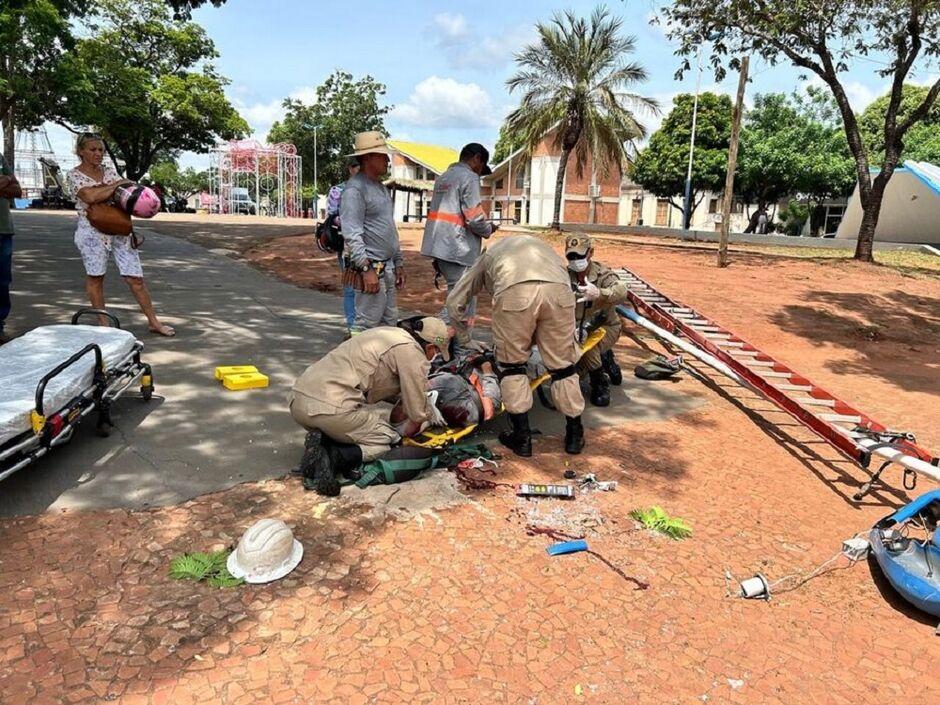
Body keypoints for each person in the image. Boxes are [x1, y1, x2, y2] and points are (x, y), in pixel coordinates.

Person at [446, 234, 585, 458]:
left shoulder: (488, 255)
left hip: (515, 295)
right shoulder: (543, 248)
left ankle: (522, 438)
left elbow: (454, 302)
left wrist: (464, 339)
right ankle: (575, 435)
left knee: (512, 367)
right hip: (559, 293)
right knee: (563, 367)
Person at [288, 316, 452, 496]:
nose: (435, 357)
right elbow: (416, 413)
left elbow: (382, 385)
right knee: (387, 440)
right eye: (437, 352)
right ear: (430, 347)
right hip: (332, 409)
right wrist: (428, 413)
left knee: (354, 426)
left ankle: (325, 439)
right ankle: (334, 457)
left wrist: (407, 397)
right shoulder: (413, 353)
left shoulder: (386, 334)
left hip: (298, 403)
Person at [66, 133, 174, 336]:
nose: (98, 153)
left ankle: (154, 322)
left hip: (118, 227)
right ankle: (104, 324)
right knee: (96, 277)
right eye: (92, 149)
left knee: (135, 277)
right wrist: (115, 185)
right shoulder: (74, 175)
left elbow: (127, 195)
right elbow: (90, 196)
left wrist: (111, 191)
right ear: (81, 151)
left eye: (101, 150)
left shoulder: (109, 171)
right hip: (92, 231)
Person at [420, 143, 496, 328]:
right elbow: (474, 218)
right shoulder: (469, 177)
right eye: (481, 168)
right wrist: (488, 229)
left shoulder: (444, 177)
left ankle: (441, 335)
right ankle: (449, 339)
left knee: (455, 297)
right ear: (477, 158)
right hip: (458, 249)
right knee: (462, 303)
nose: (479, 173)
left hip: (440, 248)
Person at [340, 131, 405, 333]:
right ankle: (354, 353)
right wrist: (366, 269)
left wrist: (398, 262)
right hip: (371, 267)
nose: (387, 160)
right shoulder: (355, 190)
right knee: (366, 325)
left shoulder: (381, 188)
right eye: (382, 155)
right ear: (368, 157)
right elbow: (352, 234)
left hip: (387, 266)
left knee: (389, 323)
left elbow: (389, 228)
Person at [564, 235, 630, 407]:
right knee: (573, 369)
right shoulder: (563, 276)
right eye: (571, 256)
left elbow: (622, 292)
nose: (575, 260)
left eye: (580, 255)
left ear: (590, 253)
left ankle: (599, 381)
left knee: (587, 347)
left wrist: (600, 293)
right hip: (575, 329)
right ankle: (605, 357)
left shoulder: (603, 274)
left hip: (605, 327)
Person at [326, 157, 361, 337]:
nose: (359, 171)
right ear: (350, 169)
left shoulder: (373, 190)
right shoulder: (337, 191)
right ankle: (353, 327)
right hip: (347, 247)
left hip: (370, 246)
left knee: (367, 288)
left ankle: (364, 326)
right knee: (350, 289)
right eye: (356, 167)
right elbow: (332, 216)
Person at [0, 151, 22, 343]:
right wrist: (6, 181)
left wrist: (7, 180)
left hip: (4, 229)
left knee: (2, 281)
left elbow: (17, 191)